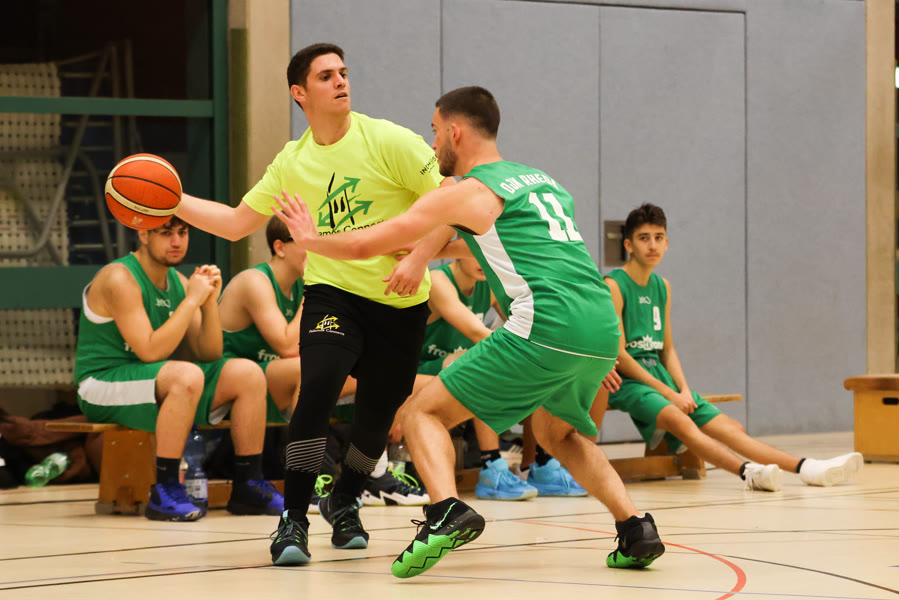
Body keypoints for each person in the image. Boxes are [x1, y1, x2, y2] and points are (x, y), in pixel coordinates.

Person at [275, 86, 666, 578]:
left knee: (421, 412)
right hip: (601, 326)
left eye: (435, 131)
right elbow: (491, 244)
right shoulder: (541, 182)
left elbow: (365, 244)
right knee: (557, 432)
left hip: (548, 321)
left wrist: (312, 240)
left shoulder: (468, 191)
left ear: (455, 131)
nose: (432, 141)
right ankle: (635, 527)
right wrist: (423, 253)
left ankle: (445, 511)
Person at [174, 43, 455, 564]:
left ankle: (344, 500)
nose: (341, 81)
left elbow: (452, 201)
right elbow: (235, 222)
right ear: (298, 93)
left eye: (343, 72)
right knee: (318, 388)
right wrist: (173, 200)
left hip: (400, 301)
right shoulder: (292, 162)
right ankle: (294, 519)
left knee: (376, 417)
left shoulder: (389, 141)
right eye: (326, 76)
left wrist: (420, 257)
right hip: (333, 295)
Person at [603, 203, 863, 491]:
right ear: (628, 244)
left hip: (660, 377)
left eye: (659, 237)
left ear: (667, 243)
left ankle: (809, 468)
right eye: (644, 238)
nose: (653, 245)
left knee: (731, 429)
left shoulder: (662, 286)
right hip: (628, 381)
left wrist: (684, 390)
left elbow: (668, 350)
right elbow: (619, 354)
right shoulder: (614, 285)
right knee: (680, 421)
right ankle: (748, 472)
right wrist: (668, 393)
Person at [73, 216, 284, 521]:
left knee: (248, 373)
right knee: (186, 375)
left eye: (182, 233)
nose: (176, 241)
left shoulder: (179, 282)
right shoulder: (119, 278)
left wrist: (208, 303)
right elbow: (150, 352)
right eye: (166, 233)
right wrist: (191, 301)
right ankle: (166, 489)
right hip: (101, 383)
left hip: (154, 378)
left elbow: (209, 352)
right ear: (143, 234)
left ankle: (248, 485)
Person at [390, 256, 540, 501]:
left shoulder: (488, 285)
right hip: (413, 370)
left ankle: (538, 463)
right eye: (472, 251)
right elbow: (476, 332)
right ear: (458, 249)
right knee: (480, 364)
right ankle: (492, 466)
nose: (481, 260)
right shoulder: (438, 279)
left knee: (536, 365)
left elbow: (530, 331)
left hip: (451, 370)